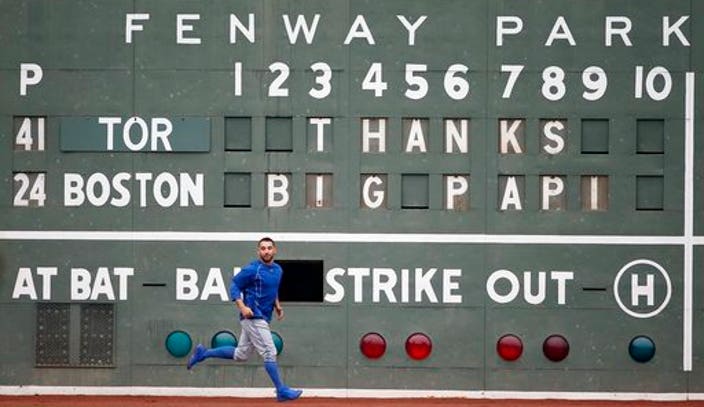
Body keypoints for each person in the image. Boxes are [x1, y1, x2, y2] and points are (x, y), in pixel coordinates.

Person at [187, 237, 302, 402]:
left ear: (274, 250)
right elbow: (234, 285)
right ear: (258, 251)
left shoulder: (278, 269)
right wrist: (242, 307)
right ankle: (281, 390)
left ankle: (204, 353)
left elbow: (273, 289)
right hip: (253, 316)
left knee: (241, 354)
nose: (266, 251)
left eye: (269, 248)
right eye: (263, 248)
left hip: (263, 316)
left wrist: (277, 305)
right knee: (270, 352)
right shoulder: (252, 269)